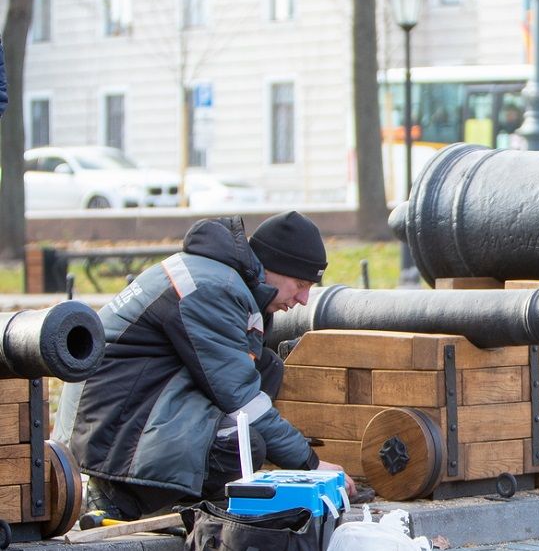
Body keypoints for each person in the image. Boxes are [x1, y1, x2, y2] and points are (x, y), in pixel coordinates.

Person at [54, 212, 356, 521]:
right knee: (240, 448)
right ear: (272, 268)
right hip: (106, 434)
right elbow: (240, 398)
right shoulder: (213, 289)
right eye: (300, 283)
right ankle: (119, 495)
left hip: (123, 412)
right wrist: (309, 466)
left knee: (267, 368)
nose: (304, 299)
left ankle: (169, 491)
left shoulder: (221, 277)